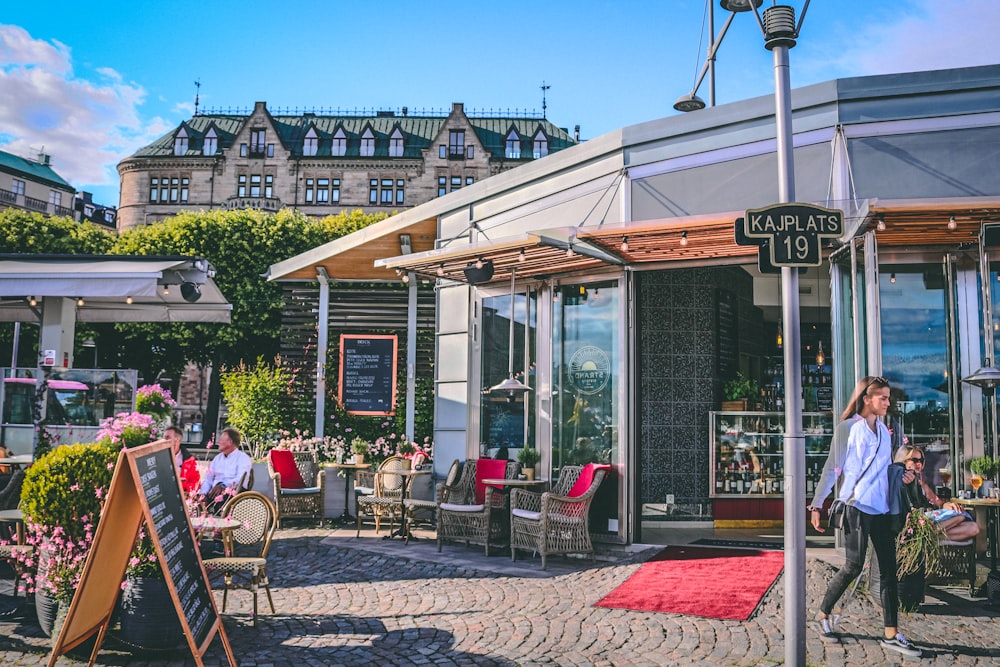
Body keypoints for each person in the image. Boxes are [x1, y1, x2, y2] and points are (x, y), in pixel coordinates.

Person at [807, 376, 922, 658]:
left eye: (888, 397)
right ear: (867, 398)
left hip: (881, 509)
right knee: (853, 566)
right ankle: (823, 614)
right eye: (882, 397)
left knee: (888, 572)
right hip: (856, 507)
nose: (887, 402)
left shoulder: (885, 432)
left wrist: (902, 475)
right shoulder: (848, 428)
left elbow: (886, 470)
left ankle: (891, 633)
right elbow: (832, 469)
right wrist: (817, 505)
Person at [896, 445, 979, 542]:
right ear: (903, 461)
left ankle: (929, 538)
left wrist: (947, 505)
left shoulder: (921, 484)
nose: (919, 463)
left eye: (921, 460)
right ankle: (925, 536)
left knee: (973, 527)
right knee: (959, 516)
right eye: (914, 460)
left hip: (929, 523)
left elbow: (937, 502)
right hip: (915, 524)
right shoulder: (898, 481)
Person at [199, 427, 252, 509]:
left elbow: (241, 479)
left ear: (230, 442)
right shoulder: (217, 458)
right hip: (213, 493)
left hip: (233, 494)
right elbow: (208, 479)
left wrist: (223, 486)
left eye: (221, 440)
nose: (218, 442)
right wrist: (203, 493)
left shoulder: (243, 458)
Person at [165, 425, 200, 495]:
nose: (164, 440)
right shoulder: (159, 457)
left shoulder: (190, 461)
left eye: (167, 437)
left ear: (177, 440)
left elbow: (196, 483)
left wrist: (181, 486)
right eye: (164, 437)